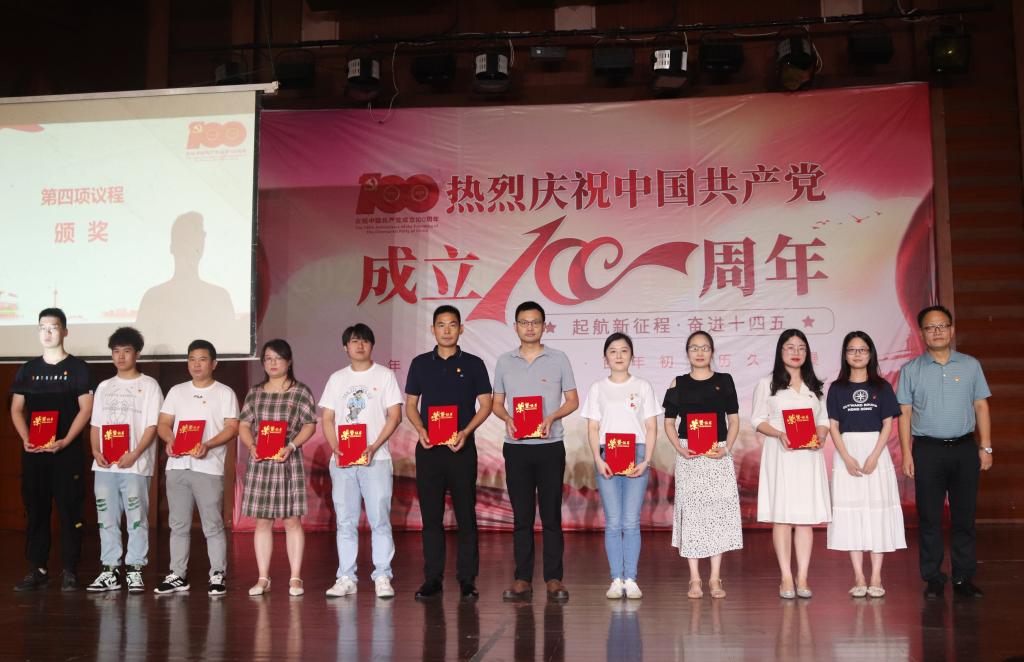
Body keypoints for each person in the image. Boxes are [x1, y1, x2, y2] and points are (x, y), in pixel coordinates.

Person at [897, 305, 992, 599]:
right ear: (922, 333)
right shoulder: (910, 370)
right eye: (930, 327)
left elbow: (981, 406)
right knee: (929, 518)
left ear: (951, 330)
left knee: (964, 517)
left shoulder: (970, 365)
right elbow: (904, 414)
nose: (937, 331)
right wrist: (907, 453)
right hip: (928, 451)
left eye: (942, 326)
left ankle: (963, 577)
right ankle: (934, 578)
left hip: (964, 449)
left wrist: (986, 446)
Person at [492, 301, 578, 602]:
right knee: (522, 517)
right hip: (516, 448)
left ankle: (554, 578)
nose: (530, 327)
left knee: (551, 515)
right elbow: (496, 403)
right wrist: (507, 418)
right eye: (524, 322)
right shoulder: (504, 361)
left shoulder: (559, 358)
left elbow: (572, 400)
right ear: (515, 326)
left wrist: (552, 416)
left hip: (550, 446)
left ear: (544, 325)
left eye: (535, 322)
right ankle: (522, 579)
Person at [405, 305, 492, 600]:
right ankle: (432, 579)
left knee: (466, 515)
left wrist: (466, 432)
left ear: (461, 328)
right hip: (429, 449)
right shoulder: (420, 364)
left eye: (452, 324)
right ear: (432, 329)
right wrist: (421, 429)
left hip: (461, 449)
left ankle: (468, 580)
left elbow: (486, 404)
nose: (446, 330)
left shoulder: (474, 364)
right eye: (441, 325)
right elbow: (410, 405)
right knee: (431, 517)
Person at [10, 308, 93, 591]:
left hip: (66, 453)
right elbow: (16, 409)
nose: (47, 333)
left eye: (53, 327)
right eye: (42, 328)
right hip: (34, 454)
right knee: (36, 510)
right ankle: (38, 568)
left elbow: (86, 409)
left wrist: (66, 440)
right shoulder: (28, 369)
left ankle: (69, 569)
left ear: (65, 331)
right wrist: (26, 438)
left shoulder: (78, 368)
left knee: (69, 510)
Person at [320, 323, 403, 599]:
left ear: (372, 345)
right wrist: (336, 448)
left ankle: (383, 575)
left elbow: (395, 416)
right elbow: (328, 418)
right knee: (346, 521)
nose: (360, 345)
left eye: (365, 341)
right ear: (345, 347)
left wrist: (374, 446)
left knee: (380, 520)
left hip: (376, 459)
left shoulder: (385, 375)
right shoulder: (337, 379)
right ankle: (346, 576)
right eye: (354, 341)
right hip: (343, 461)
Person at [154, 339, 239, 595]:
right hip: (177, 466)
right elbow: (163, 423)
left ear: (214, 363)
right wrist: (170, 440)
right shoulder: (177, 391)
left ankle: (217, 574)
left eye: (202, 359)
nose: (196, 364)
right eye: (192, 359)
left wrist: (208, 444)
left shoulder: (224, 393)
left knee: (212, 525)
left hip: (208, 468)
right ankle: (177, 574)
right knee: (178, 525)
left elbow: (232, 427)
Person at [580, 333, 661, 600]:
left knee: (631, 521)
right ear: (605, 357)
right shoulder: (597, 388)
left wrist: (646, 459)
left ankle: (631, 579)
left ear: (632, 356)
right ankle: (616, 579)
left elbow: (651, 426)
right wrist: (598, 458)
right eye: (613, 351)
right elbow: (593, 427)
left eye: (624, 350)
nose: (618, 355)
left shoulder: (643, 386)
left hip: (636, 453)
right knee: (614, 521)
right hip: (607, 455)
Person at [751, 329, 831, 599]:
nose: (796, 353)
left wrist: (821, 435)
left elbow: (823, 420)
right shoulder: (768, 383)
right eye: (790, 347)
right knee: (783, 518)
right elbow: (757, 419)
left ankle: (803, 576)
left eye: (801, 348)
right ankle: (786, 576)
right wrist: (779, 433)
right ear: (780, 351)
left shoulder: (814, 385)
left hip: (808, 456)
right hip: (781, 454)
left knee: (805, 519)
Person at [662, 331, 742, 600]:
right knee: (693, 515)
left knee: (717, 514)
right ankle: (694, 578)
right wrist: (679, 448)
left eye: (705, 347)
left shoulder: (724, 380)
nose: (700, 352)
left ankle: (715, 577)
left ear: (712, 352)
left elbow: (734, 420)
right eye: (694, 348)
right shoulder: (678, 383)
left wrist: (726, 448)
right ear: (687, 352)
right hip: (690, 456)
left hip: (718, 453)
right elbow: (669, 422)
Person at [826, 331, 905, 598]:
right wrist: (846, 457)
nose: (857, 354)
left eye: (862, 349)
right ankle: (859, 576)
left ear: (870, 354)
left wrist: (874, 455)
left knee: (877, 510)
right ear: (845, 355)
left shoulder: (882, 387)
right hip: (847, 452)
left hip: (876, 451)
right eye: (852, 350)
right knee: (852, 511)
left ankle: (876, 576)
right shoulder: (837, 388)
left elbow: (888, 425)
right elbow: (833, 426)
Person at [86, 327, 163, 593]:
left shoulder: (149, 385)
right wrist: (96, 451)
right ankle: (109, 569)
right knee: (105, 518)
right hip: (105, 466)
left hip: (135, 465)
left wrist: (135, 453)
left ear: (137, 354)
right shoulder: (104, 386)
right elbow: (95, 425)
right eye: (116, 351)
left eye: (126, 351)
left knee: (136, 518)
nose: (120, 356)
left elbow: (152, 426)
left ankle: (135, 569)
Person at [238, 339, 317, 597]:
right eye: (268, 359)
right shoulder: (255, 392)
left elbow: (309, 424)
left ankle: (295, 578)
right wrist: (251, 445)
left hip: (288, 460)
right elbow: (243, 424)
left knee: (292, 520)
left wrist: (292, 446)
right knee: (262, 521)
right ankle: (263, 578)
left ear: (289, 361)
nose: (272, 363)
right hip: (261, 463)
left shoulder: (300, 391)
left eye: (278, 358)